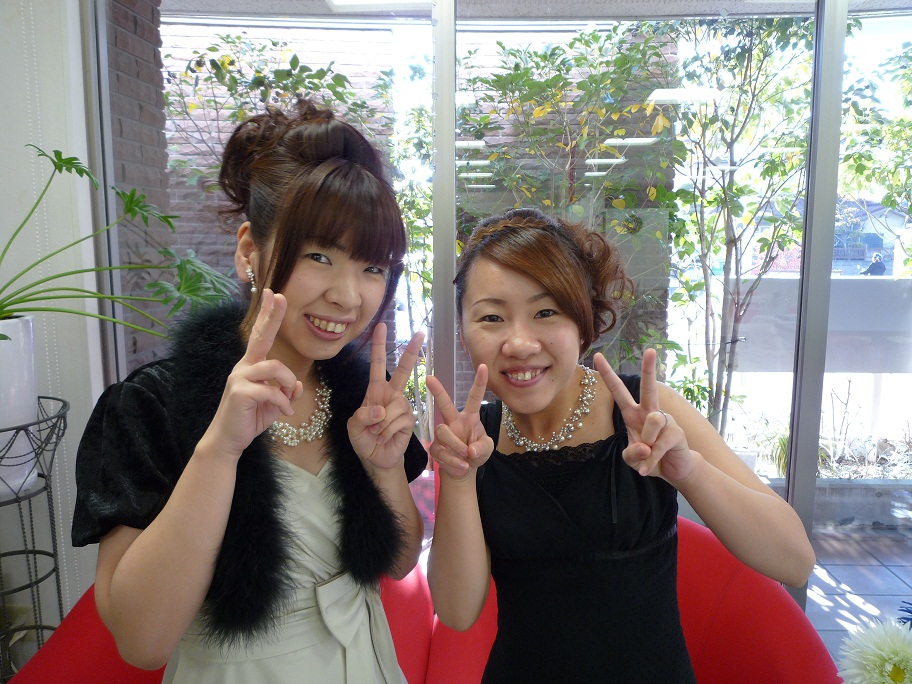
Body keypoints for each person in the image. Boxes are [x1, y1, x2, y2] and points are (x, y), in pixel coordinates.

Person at [71, 100, 427, 683]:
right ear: (248, 252)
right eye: (319, 256)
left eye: (373, 267)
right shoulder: (154, 405)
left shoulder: (361, 400)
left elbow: (399, 561)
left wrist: (385, 468)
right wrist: (220, 450)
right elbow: (142, 642)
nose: (348, 295)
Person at [426, 208, 816, 683]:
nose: (520, 343)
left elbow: (794, 561)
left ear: (583, 322)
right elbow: (456, 612)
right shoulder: (475, 441)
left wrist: (688, 470)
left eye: (545, 312)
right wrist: (460, 479)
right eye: (491, 317)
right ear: (464, 331)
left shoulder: (647, 413)